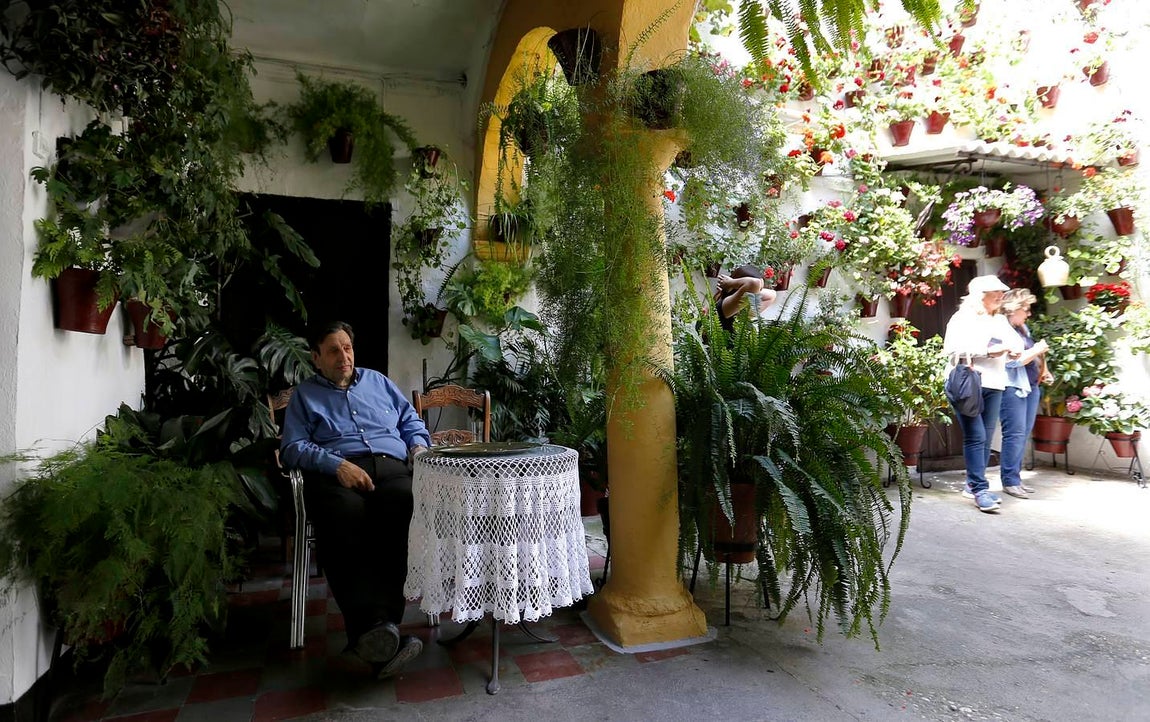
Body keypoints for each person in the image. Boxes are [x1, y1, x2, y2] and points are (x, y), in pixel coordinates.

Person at [281, 321, 430, 678]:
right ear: (316, 358)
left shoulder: (378, 382)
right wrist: (337, 465)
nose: (343, 356)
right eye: (333, 350)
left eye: (347, 347)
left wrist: (419, 445)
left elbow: (410, 419)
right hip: (337, 474)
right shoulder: (305, 395)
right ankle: (374, 628)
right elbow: (293, 447)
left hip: (391, 469)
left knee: (402, 507)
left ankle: (379, 632)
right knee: (343, 516)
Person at [942, 275, 1021, 513]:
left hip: (994, 384)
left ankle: (971, 484)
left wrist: (1015, 350)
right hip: (967, 383)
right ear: (980, 295)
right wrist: (988, 351)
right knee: (976, 436)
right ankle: (980, 489)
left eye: (1001, 293)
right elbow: (952, 349)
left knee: (985, 438)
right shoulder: (962, 318)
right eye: (995, 292)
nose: (1000, 296)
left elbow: (1015, 342)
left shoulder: (998, 320)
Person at [999, 289, 1052, 497]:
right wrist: (1037, 350)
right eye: (1026, 310)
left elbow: (1030, 356)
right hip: (1012, 388)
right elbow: (1011, 362)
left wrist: (1044, 370)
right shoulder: (1001, 330)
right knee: (1014, 434)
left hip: (1031, 387)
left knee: (1022, 435)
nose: (1028, 314)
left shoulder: (1022, 329)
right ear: (1013, 309)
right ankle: (1010, 481)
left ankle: (1015, 479)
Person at [714, 264, 777, 332]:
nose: (757, 291)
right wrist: (730, 283)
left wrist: (732, 284)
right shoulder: (726, 306)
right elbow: (754, 283)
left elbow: (772, 295)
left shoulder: (741, 310)